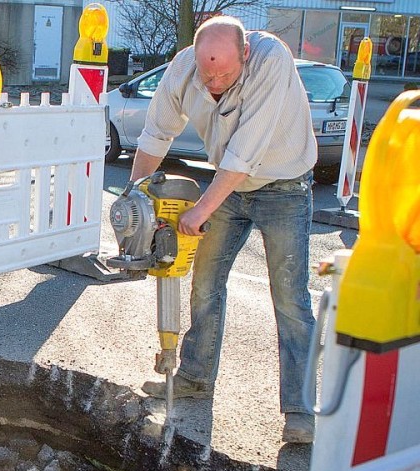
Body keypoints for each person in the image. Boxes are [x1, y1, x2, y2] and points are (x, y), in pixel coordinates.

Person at [132, 16, 317, 444]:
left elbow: (243, 154)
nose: (213, 81)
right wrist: (135, 197)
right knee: (204, 285)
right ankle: (195, 377)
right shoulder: (183, 68)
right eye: (206, 71)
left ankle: (299, 411)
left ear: (245, 53)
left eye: (225, 73)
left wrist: (198, 212)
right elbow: (155, 134)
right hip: (227, 188)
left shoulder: (272, 60)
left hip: (284, 188)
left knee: (290, 299)